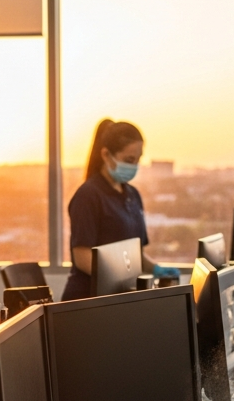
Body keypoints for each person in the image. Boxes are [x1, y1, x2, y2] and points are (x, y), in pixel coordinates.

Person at [61, 119, 179, 301]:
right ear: (106, 155)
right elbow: (82, 257)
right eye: (129, 160)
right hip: (87, 300)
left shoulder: (132, 195)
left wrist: (155, 269)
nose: (134, 166)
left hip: (119, 298)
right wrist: (120, 276)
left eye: (138, 160)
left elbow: (134, 253)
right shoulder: (88, 195)